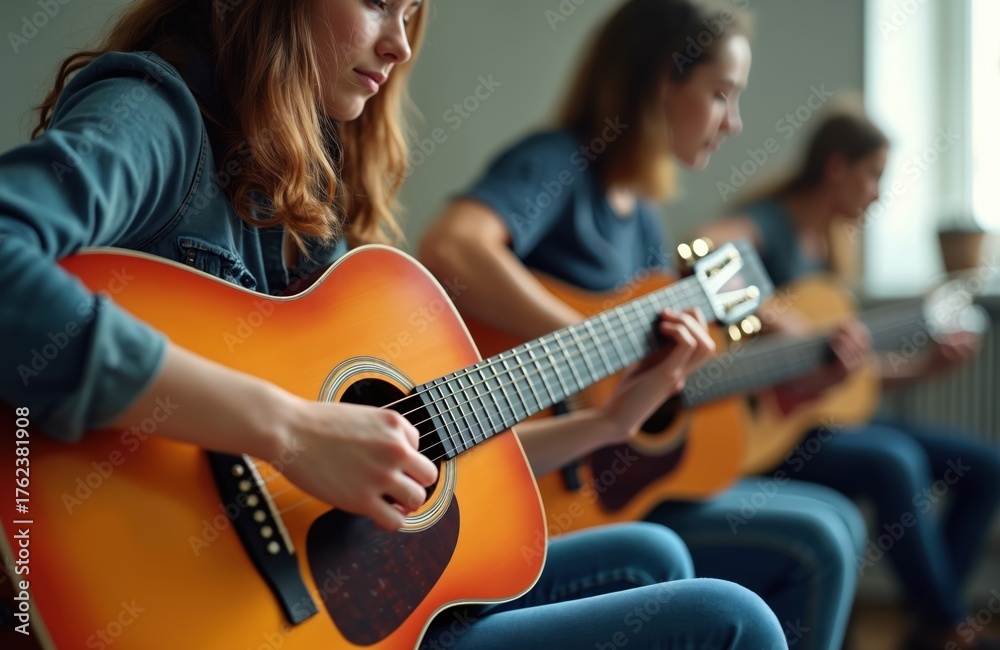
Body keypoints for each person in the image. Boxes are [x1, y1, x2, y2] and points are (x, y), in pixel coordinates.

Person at [0, 0, 790, 648]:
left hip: (330, 592)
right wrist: (287, 430)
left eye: (413, 14)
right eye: (378, 4)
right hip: (188, 597)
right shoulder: (156, 112)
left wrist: (610, 422)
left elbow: (428, 448)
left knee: (650, 552)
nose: (400, 44)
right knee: (735, 620)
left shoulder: (307, 178)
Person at [419, 2, 866, 649]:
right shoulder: (558, 162)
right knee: (819, 539)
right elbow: (454, 248)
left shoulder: (647, 222)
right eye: (721, 95)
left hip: (617, 476)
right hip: (542, 485)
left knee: (838, 520)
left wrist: (801, 375)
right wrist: (592, 346)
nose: (734, 123)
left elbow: (672, 388)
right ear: (662, 82)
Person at [695, 111, 1000, 650]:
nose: (878, 193)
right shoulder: (770, 223)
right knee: (893, 460)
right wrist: (769, 313)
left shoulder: (836, 246)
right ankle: (948, 626)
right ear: (836, 168)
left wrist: (925, 367)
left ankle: (932, 621)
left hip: (826, 417)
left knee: (985, 466)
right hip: (770, 431)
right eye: (872, 175)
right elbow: (706, 248)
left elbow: (846, 377)